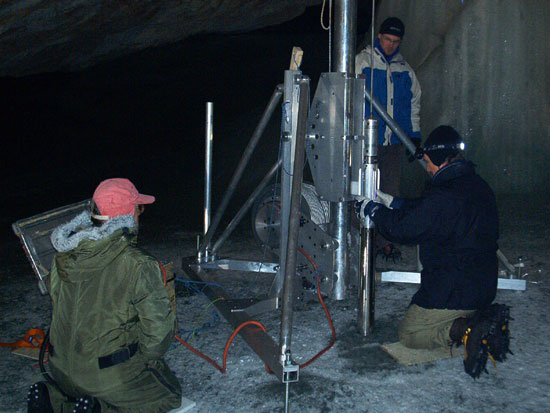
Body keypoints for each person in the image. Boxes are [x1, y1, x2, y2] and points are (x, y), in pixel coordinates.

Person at [355, 126, 512, 378]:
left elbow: (404, 229)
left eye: (429, 162)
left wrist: (373, 210)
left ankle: (466, 329)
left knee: (411, 333)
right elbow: (428, 212)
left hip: (454, 289)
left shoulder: (444, 196)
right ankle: (482, 318)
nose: (427, 168)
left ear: (441, 159)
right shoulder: (476, 185)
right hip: (483, 286)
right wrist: (393, 202)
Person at [27, 178, 183, 412]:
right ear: (129, 212)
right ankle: (98, 408)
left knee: (84, 380)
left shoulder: (63, 257)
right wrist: (141, 359)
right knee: (168, 394)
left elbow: (59, 304)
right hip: (106, 378)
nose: (139, 214)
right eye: (139, 208)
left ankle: (54, 399)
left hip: (60, 369)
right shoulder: (138, 264)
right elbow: (158, 336)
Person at [355, 16, 422, 259]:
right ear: (379, 37)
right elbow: (348, 99)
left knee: (389, 192)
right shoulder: (362, 62)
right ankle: (360, 239)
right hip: (365, 141)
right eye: (387, 39)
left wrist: (413, 136)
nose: (391, 45)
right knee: (361, 191)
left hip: (393, 144)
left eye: (395, 41)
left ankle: (386, 242)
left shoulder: (405, 70)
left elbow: (414, 104)